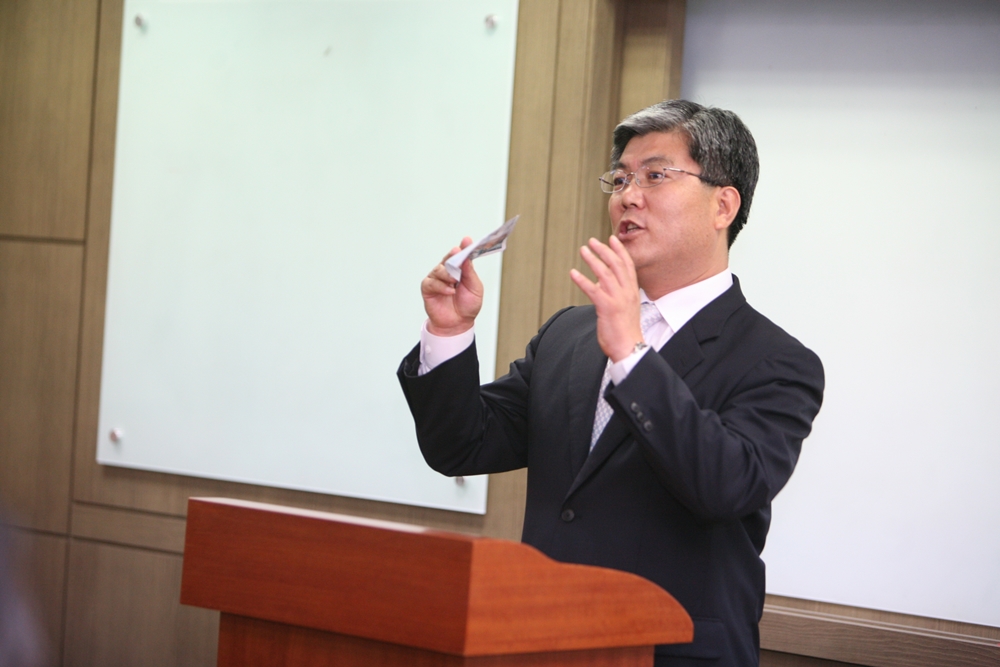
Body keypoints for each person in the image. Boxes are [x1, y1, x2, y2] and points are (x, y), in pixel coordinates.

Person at [397, 99, 824, 667]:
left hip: (671, 652)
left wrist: (630, 353)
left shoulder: (776, 361)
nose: (628, 196)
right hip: (544, 644)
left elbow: (725, 486)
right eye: (620, 179)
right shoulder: (569, 334)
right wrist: (448, 333)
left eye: (655, 175)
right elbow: (461, 445)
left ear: (723, 205)